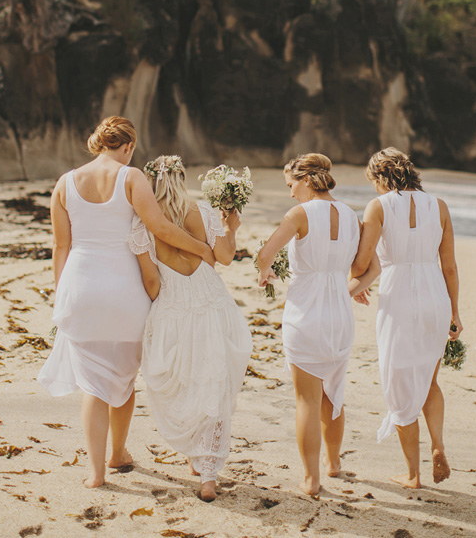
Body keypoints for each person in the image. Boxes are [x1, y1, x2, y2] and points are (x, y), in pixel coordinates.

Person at [38, 117, 215, 489]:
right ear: (128, 146)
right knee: (122, 377)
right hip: (124, 291)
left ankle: (96, 472)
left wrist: (62, 295)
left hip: (80, 288)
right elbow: (159, 228)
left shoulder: (65, 183)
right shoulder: (131, 177)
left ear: (97, 143)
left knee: (93, 384)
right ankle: (118, 452)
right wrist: (202, 248)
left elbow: (60, 246)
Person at [130, 155, 252, 502]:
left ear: (151, 185)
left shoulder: (142, 226)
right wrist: (233, 227)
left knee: (184, 382)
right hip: (212, 303)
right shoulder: (204, 212)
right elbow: (225, 258)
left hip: (173, 306)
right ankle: (208, 474)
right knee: (212, 381)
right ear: (183, 179)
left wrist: (161, 303)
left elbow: (151, 282)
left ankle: (198, 459)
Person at [256, 153, 379, 497]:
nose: (291, 193)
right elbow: (372, 269)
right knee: (333, 394)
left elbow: (265, 254)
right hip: (340, 315)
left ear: (306, 180)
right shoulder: (352, 218)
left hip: (306, 313)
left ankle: (311, 480)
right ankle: (334, 463)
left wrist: (265, 272)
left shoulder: (299, 214)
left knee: (306, 399)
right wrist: (347, 291)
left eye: (291, 185)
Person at [351, 147, 463, 489]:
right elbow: (449, 266)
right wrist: (455, 312)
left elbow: (361, 263)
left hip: (399, 296)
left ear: (379, 177)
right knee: (429, 382)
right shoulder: (439, 206)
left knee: (399, 385)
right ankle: (438, 444)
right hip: (435, 295)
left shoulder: (379, 207)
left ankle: (413, 475)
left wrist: (355, 277)